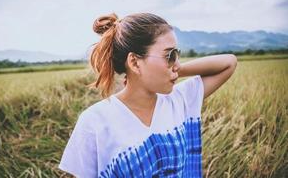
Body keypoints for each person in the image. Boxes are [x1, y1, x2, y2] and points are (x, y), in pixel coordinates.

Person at [59, 12, 237, 177]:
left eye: (177, 54)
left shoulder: (178, 100)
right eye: (169, 55)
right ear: (135, 62)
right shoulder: (94, 122)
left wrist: (174, 69)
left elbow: (229, 63)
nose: (176, 62)